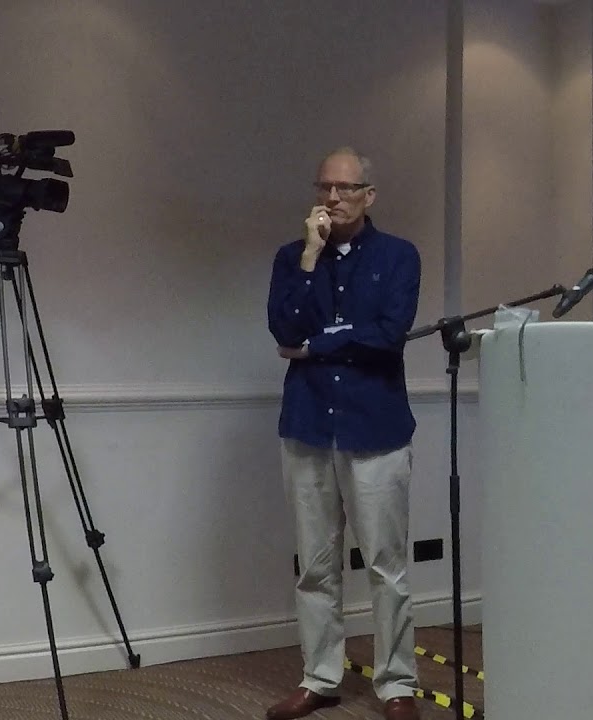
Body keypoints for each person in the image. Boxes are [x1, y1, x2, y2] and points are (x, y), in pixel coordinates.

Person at [265, 147, 423, 720]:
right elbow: (284, 329)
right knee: (315, 566)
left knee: (386, 565)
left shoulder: (399, 256)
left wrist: (318, 344)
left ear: (368, 195)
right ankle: (320, 677)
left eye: (346, 188)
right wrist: (311, 256)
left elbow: (388, 334)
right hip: (308, 426)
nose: (333, 198)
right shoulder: (293, 257)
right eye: (324, 187)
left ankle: (397, 683)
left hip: (375, 428)